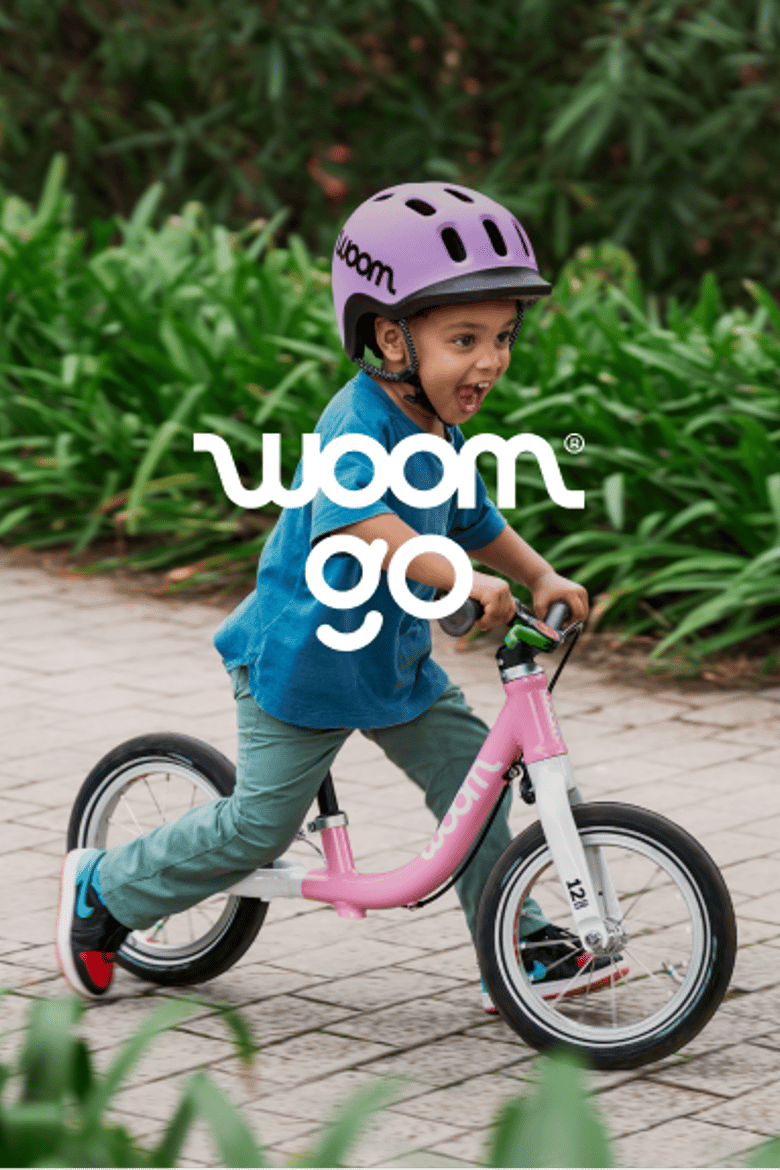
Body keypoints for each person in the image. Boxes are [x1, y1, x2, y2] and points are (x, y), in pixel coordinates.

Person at [56, 181, 619, 1008]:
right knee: (260, 828)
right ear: (390, 337)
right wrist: (463, 582)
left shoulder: (437, 428)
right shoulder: (353, 427)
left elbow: (470, 514)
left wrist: (535, 574)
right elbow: (359, 527)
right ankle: (106, 889)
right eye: (465, 339)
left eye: (502, 337)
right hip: (303, 665)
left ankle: (517, 943)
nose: (491, 361)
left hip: (390, 666)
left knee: (475, 784)